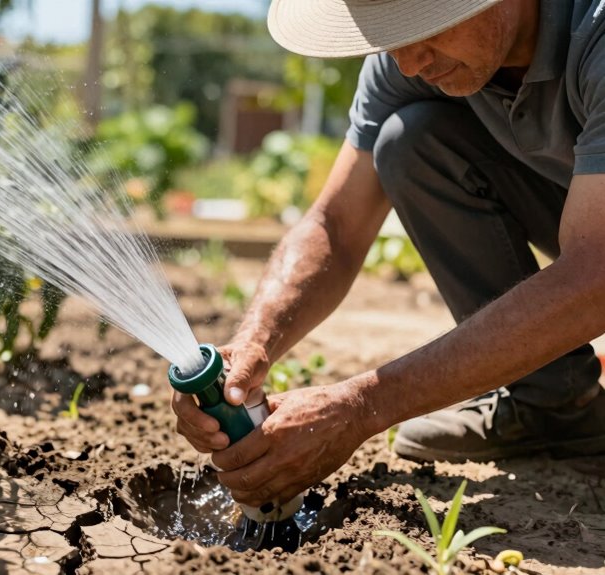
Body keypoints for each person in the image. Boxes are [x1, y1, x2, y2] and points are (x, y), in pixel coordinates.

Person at [171, 0, 605, 513]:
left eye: (427, 25)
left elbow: (594, 273)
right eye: (391, 34)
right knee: (409, 141)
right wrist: (251, 346)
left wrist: (362, 406)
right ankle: (554, 408)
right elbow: (336, 225)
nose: (408, 61)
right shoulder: (410, 59)